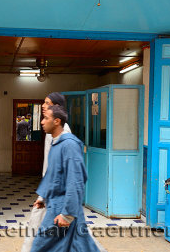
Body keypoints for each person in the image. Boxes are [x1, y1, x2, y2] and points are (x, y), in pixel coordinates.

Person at [31, 105, 99, 252]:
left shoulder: (69, 145)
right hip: (56, 207)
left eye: (46, 118)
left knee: (40, 247)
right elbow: (52, 175)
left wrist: (67, 214)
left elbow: (76, 181)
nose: (42, 122)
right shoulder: (56, 144)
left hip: (62, 210)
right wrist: (43, 197)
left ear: (57, 121)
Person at [21, 92, 71, 252]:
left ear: (57, 108)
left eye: (48, 103)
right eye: (44, 102)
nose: (43, 105)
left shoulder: (62, 133)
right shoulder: (53, 129)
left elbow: (61, 168)